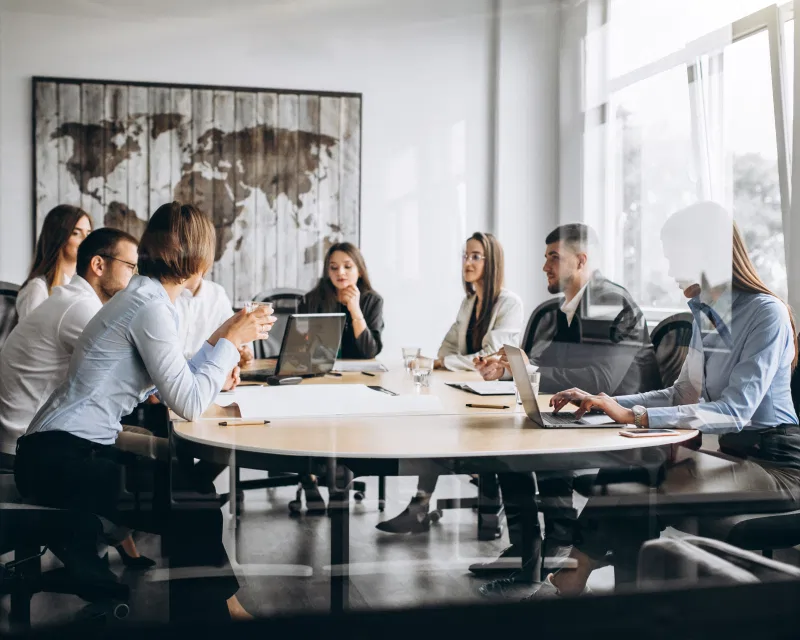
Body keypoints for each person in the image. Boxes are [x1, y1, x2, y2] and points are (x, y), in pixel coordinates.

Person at [13, 202, 276, 622]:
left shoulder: (146, 299)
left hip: (56, 450)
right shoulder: (150, 307)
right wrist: (227, 344)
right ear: (199, 260)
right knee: (191, 501)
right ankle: (215, 615)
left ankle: (218, 609)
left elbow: (174, 379)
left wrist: (224, 342)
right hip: (57, 458)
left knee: (192, 491)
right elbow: (187, 402)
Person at [535, 202, 800, 598]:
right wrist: (606, 400)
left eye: (676, 255)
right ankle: (599, 585)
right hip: (735, 458)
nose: (671, 268)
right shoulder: (707, 316)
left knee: (638, 490)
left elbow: (736, 412)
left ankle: (589, 579)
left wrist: (636, 415)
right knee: (623, 475)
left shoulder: (767, 315)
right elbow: (680, 394)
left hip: (777, 467)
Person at [470, 224, 661, 578]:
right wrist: (508, 369)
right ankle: (530, 547)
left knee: (516, 445)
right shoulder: (562, 309)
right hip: (584, 416)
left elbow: (602, 381)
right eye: (546, 258)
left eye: (554, 258)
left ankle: (546, 548)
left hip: (622, 422)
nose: (545, 266)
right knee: (503, 443)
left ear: (581, 260)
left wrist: (530, 367)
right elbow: (551, 368)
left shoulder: (607, 300)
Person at [0, 227, 153, 567]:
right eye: (131, 267)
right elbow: (135, 371)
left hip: (33, 433)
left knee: (134, 443)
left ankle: (102, 554)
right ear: (99, 265)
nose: (137, 278)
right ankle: (95, 555)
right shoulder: (81, 309)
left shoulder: (71, 299)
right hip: (29, 443)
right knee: (142, 460)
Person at [376, 232, 524, 534]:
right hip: (466, 388)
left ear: (491, 261)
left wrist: (449, 362)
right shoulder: (469, 303)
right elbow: (446, 350)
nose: (467, 262)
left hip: (495, 395)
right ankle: (420, 508)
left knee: (446, 429)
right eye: (465, 255)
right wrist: (449, 361)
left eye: (475, 256)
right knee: (434, 422)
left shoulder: (510, 304)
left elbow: (488, 357)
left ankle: (483, 508)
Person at [300, 242, 384, 359]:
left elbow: (369, 351)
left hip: (359, 373)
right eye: (334, 267)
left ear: (360, 271)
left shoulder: (373, 301)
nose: (340, 272)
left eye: (347, 266)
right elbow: (300, 347)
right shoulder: (311, 299)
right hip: (320, 370)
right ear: (328, 272)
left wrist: (355, 311)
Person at [16, 205, 93, 321]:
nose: (86, 240)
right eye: (76, 233)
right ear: (59, 237)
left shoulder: (85, 286)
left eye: (88, 234)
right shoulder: (37, 289)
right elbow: (30, 338)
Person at [176, 272, 253, 366]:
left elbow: (234, 331)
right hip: (171, 371)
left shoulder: (217, 293)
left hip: (205, 368)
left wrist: (242, 352)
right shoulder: (167, 292)